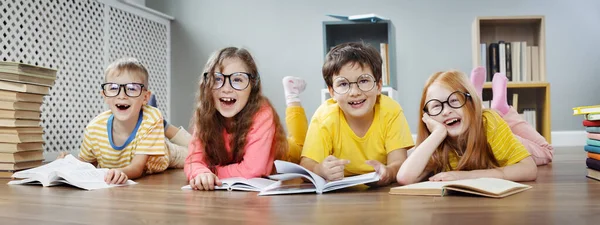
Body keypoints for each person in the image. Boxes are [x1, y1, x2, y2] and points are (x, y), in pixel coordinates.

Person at [294, 42, 415, 187]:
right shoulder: (324, 117)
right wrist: (319, 169)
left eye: (363, 81)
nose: (355, 92)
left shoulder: (391, 111)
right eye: (343, 84)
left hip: (383, 192)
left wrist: (388, 173)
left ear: (378, 86)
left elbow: (399, 163)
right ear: (332, 92)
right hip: (339, 196)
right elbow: (306, 165)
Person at [59, 57, 190, 184]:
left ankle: (162, 125)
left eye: (132, 89)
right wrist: (69, 162)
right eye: (114, 88)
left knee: (199, 153)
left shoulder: (149, 120)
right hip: (144, 134)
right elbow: (87, 165)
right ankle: (158, 123)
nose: (122, 95)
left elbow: (137, 168)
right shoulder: (94, 128)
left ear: (145, 97)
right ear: (104, 95)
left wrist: (120, 172)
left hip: (164, 154)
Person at [396, 70, 537, 185]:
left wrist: (466, 176)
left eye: (454, 100)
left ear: (470, 103)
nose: (446, 111)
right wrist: (437, 133)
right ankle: (478, 95)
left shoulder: (489, 123)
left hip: (517, 142)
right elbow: (404, 177)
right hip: (475, 121)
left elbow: (529, 169)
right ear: (427, 116)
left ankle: (502, 107)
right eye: (436, 106)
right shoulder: (436, 139)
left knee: (544, 151)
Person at [184, 47, 288, 191]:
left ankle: (293, 98)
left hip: (286, 154)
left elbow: (253, 169)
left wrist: (211, 172)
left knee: (298, 146)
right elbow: (193, 161)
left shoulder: (262, 113)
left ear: (252, 85)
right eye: (218, 79)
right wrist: (200, 172)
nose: (227, 88)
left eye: (237, 79)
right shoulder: (205, 113)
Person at [469, 67, 553, 165]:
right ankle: (502, 111)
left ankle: (478, 106)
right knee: (547, 151)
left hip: (481, 139)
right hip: (495, 142)